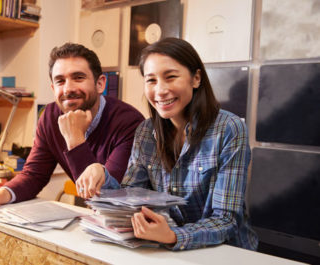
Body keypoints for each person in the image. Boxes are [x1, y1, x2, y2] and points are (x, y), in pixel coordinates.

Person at [75, 37, 258, 251]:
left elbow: (226, 219)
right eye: (151, 80)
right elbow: (132, 198)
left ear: (196, 78)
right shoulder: (145, 131)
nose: (160, 90)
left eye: (170, 77)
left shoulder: (229, 129)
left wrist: (173, 236)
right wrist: (101, 173)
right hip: (166, 251)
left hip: (225, 253)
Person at [0, 43, 144, 223]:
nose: (68, 89)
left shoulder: (129, 123)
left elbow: (106, 200)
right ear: (53, 88)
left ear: (100, 83)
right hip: (96, 225)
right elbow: (34, 175)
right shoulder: (49, 116)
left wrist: (75, 141)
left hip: (130, 225)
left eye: (78, 77)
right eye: (60, 81)